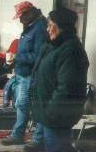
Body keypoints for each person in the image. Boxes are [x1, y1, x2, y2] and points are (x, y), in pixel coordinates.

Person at [27, 8, 89, 152]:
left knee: (57, 147)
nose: (47, 29)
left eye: (50, 25)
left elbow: (67, 88)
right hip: (47, 114)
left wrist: (50, 113)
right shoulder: (53, 46)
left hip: (57, 117)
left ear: (61, 26)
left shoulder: (71, 50)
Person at [1, 1, 47, 147]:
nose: (20, 19)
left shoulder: (39, 28)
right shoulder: (31, 26)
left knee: (27, 105)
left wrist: (17, 58)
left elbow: (38, 55)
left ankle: (31, 138)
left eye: (22, 16)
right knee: (22, 104)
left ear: (30, 13)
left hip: (30, 74)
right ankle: (20, 135)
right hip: (23, 72)